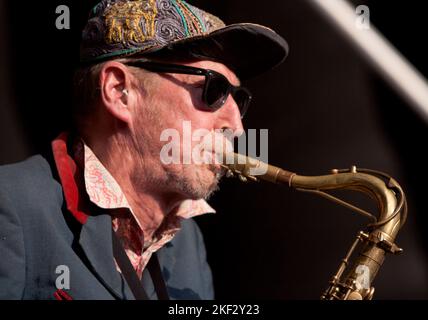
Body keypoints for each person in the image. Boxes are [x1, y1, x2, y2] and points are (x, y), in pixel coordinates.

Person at [0, 0, 288, 300]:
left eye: (237, 99)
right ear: (119, 91)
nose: (237, 126)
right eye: (213, 90)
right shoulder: (11, 204)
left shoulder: (189, 242)